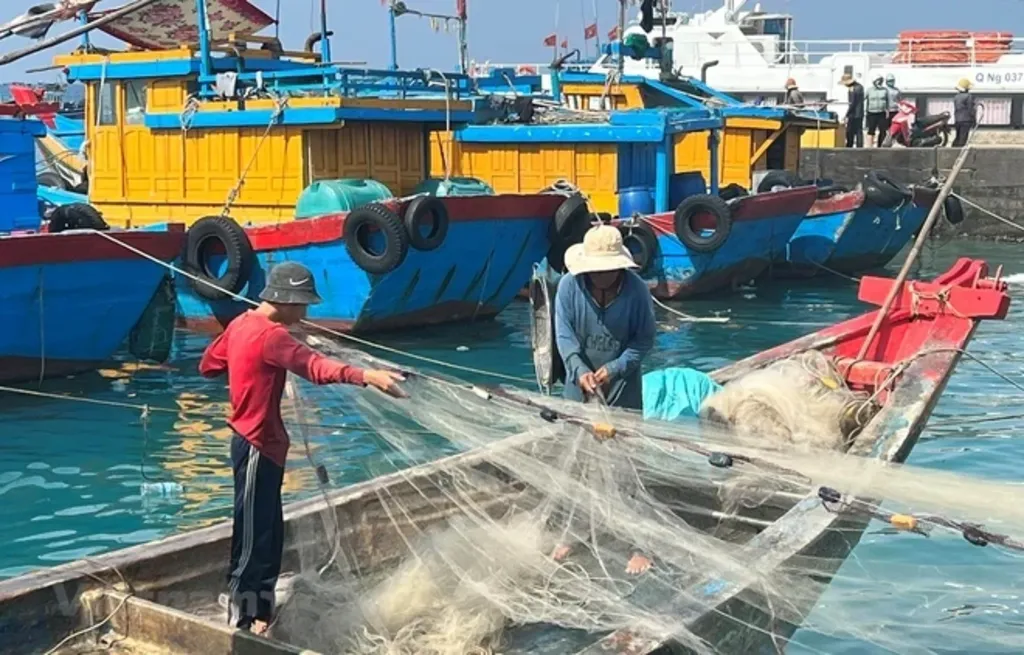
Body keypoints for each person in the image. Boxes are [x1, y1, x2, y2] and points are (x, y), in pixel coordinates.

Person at [199, 262, 405, 635]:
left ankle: (261, 614)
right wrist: (367, 375)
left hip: (261, 446)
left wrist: (244, 364)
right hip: (256, 444)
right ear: (285, 300)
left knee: (269, 533)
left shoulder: (242, 324)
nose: (306, 312)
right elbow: (316, 368)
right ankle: (240, 621)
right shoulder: (272, 337)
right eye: (303, 304)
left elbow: (208, 365)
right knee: (252, 538)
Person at [554, 224, 656, 412]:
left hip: (624, 396)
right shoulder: (568, 286)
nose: (599, 275)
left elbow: (644, 339)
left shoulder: (638, 291)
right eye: (594, 269)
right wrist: (580, 371)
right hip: (576, 394)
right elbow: (564, 337)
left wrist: (616, 368)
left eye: (607, 269)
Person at [865, 76, 889, 148]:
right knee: (871, 130)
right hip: (871, 113)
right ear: (874, 81)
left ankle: (881, 147)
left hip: (882, 113)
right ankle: (869, 147)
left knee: (883, 130)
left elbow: (887, 101)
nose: (880, 82)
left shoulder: (885, 90)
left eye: (881, 80)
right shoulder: (869, 90)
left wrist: (887, 111)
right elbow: (863, 99)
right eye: (878, 80)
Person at [842, 73, 865, 148]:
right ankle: (859, 147)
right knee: (859, 131)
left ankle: (849, 146)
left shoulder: (852, 89)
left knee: (850, 131)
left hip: (853, 113)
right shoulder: (860, 87)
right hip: (860, 112)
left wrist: (846, 114)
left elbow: (852, 103)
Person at [953, 78, 977, 147]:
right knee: (963, 138)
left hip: (957, 120)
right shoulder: (969, 96)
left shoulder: (956, 97)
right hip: (966, 120)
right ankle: (960, 151)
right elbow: (971, 110)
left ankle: (953, 149)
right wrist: (974, 120)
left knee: (958, 137)